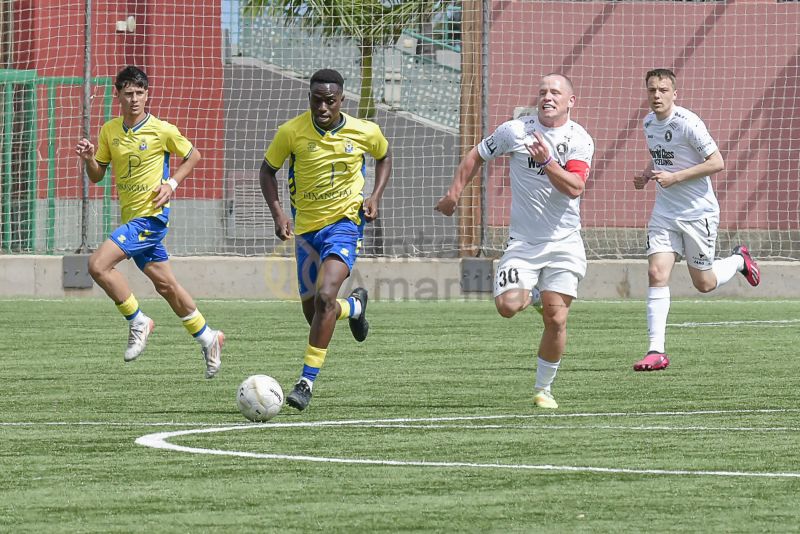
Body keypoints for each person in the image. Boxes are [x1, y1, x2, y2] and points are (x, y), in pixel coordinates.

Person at [436, 73, 594, 409]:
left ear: (571, 101)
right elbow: (476, 155)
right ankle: (534, 293)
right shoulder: (515, 130)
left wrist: (547, 162)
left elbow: (575, 187)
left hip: (564, 243)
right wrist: (453, 193)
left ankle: (544, 389)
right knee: (507, 307)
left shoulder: (579, 140)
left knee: (557, 319)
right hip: (523, 242)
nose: (547, 97)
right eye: (542, 92)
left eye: (555, 92)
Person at [74, 66, 224, 378]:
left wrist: (172, 184)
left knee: (98, 265)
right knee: (167, 285)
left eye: (140, 93)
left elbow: (193, 155)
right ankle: (208, 337)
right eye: (128, 93)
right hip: (131, 218)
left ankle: (138, 320)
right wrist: (89, 159)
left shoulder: (162, 130)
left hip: (151, 218)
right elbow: (97, 176)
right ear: (118, 95)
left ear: (147, 94)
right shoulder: (109, 131)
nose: (134, 99)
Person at [259, 68, 392, 411]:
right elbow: (267, 170)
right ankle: (355, 307)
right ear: (309, 99)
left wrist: (374, 196)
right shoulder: (291, 132)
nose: (322, 107)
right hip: (305, 231)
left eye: (329, 101)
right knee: (317, 310)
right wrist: (278, 214)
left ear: (341, 101)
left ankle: (305, 383)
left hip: (344, 225)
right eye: (316, 100)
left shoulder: (365, 131)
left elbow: (384, 155)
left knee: (323, 297)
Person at [632, 68, 760, 372]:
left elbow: (717, 162)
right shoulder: (648, 123)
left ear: (675, 93)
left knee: (704, 283)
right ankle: (656, 351)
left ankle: (739, 261)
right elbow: (665, 155)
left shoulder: (689, 123)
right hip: (665, 213)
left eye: (663, 90)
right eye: (652, 90)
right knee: (656, 272)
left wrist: (675, 178)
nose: (657, 96)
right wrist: (647, 174)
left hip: (697, 213)